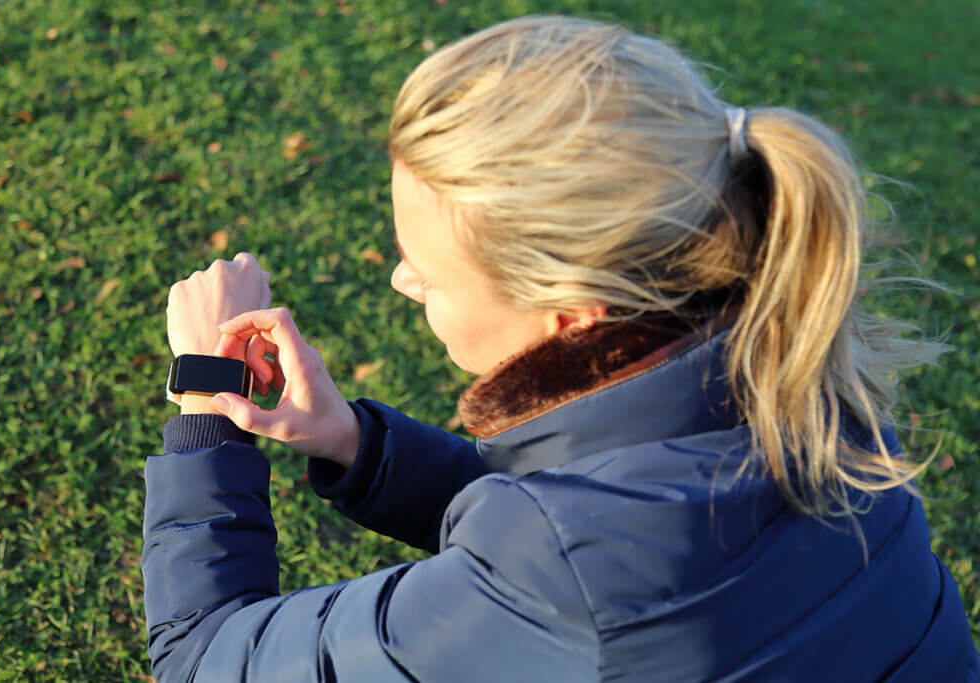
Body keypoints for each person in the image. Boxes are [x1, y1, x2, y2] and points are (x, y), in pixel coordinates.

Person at [143, 15, 979, 682]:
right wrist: (354, 444)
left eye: (430, 270)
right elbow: (608, 525)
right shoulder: (810, 374)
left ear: (571, 311)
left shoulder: (561, 563)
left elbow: (202, 657)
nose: (403, 280)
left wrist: (204, 406)